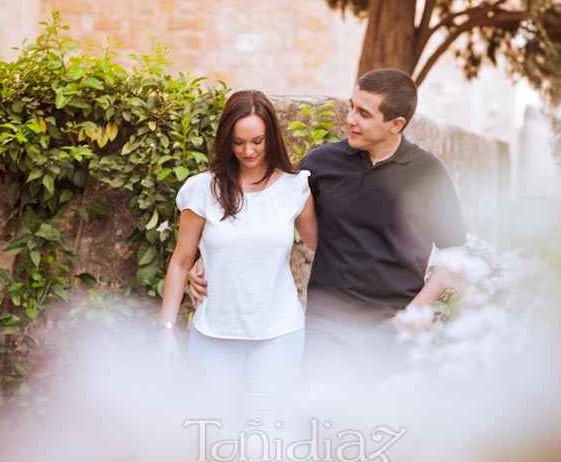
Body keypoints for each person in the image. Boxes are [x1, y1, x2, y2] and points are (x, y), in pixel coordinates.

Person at [189, 69, 466, 382]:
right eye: (351, 106)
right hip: (326, 324)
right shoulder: (321, 163)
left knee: (382, 424)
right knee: (319, 418)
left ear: (396, 124)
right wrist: (206, 255)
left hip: (391, 330)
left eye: (363, 113)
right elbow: (264, 207)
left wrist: (413, 315)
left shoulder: (427, 172)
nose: (350, 119)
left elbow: (453, 251)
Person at [157, 89, 317, 423]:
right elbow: (181, 261)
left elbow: (322, 245)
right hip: (215, 334)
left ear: (271, 137)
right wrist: (166, 330)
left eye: (257, 141)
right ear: (225, 140)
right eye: (238, 142)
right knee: (217, 437)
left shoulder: (295, 188)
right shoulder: (203, 189)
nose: (248, 151)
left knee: (265, 438)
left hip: (279, 333)